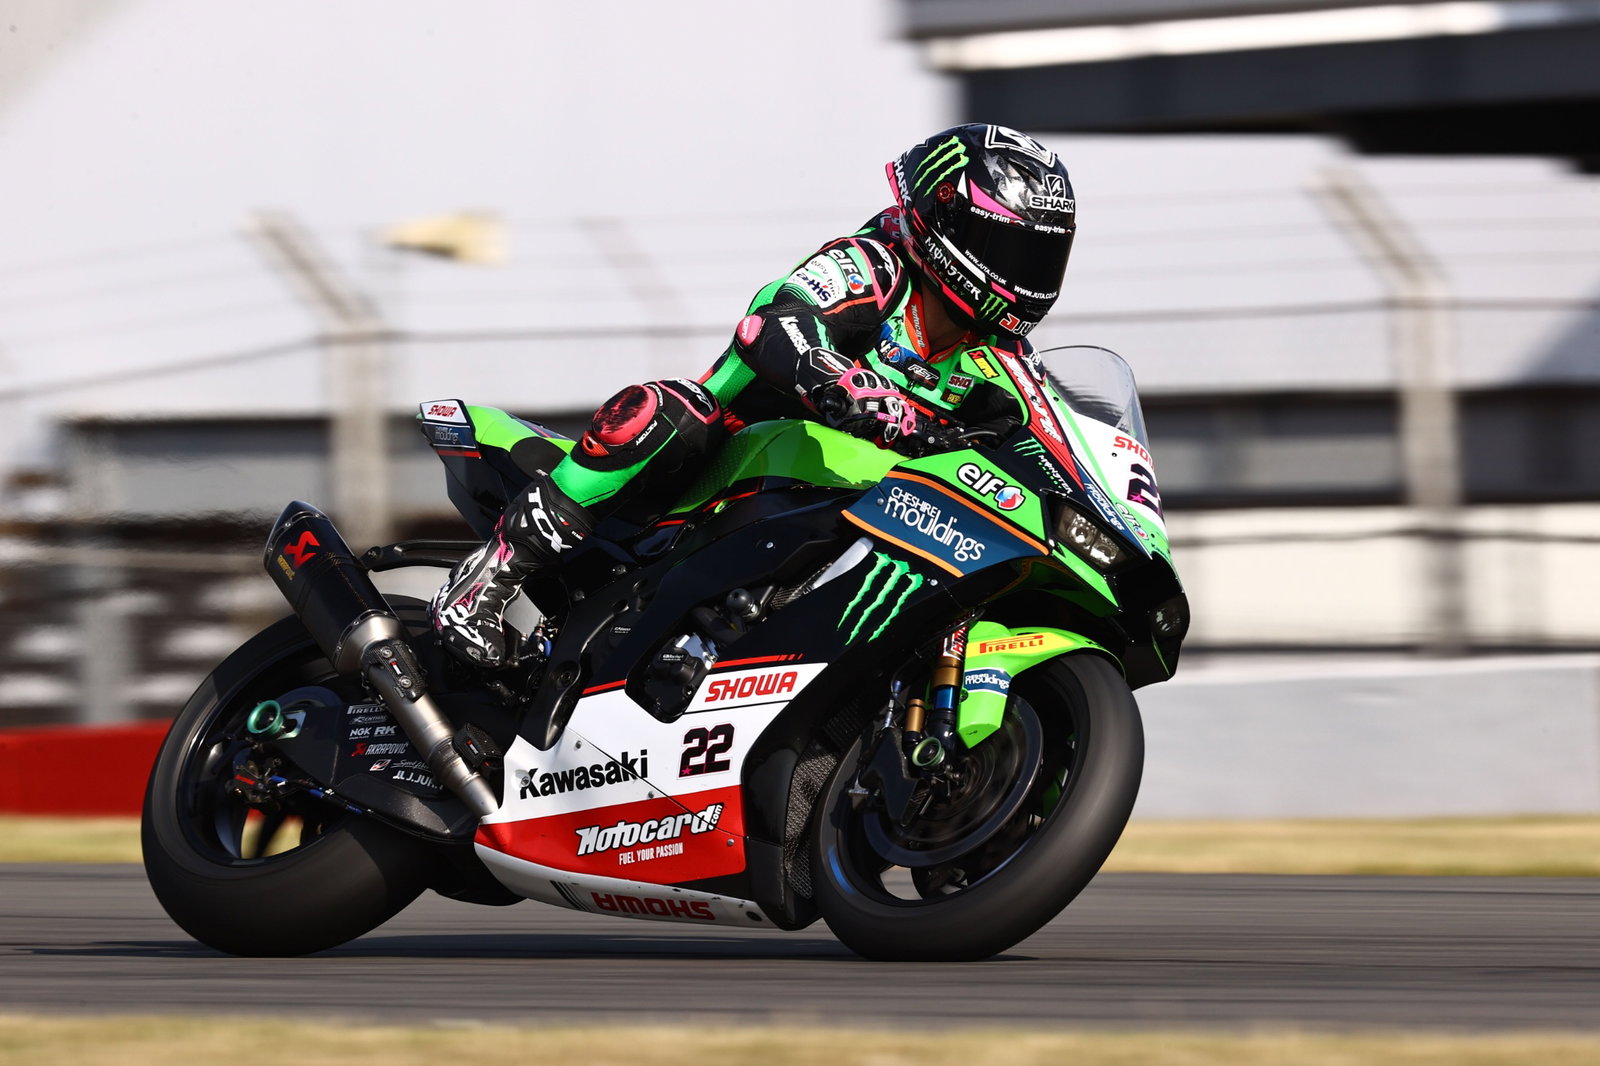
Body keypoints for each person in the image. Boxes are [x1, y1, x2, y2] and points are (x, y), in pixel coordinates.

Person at [431, 123, 1078, 668]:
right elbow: (776, 321)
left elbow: (1055, 443)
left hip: (866, 511)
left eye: (1040, 255)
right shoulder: (873, 266)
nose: (1024, 272)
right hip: (716, 476)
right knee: (675, 409)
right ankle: (486, 582)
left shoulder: (1000, 360)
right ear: (944, 218)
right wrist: (845, 385)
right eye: (1012, 248)